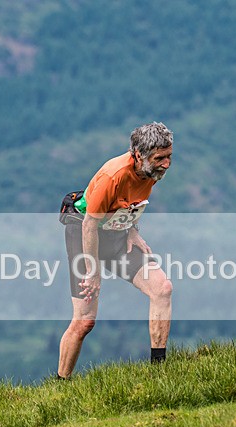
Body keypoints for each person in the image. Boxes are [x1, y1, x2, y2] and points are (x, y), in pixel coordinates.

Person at [58, 122, 174, 379]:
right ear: (138, 155)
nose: (166, 164)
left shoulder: (150, 172)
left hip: (116, 235)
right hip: (83, 234)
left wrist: (133, 229)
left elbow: (132, 204)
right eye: (159, 159)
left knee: (162, 289)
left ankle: (160, 372)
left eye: (169, 157)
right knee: (84, 321)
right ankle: (60, 385)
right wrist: (93, 272)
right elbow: (90, 225)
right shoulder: (114, 175)